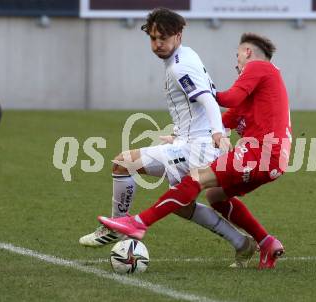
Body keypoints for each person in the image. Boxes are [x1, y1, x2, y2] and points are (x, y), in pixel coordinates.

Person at [79, 8, 258, 268]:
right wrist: (178, 133)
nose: (157, 44)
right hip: (192, 142)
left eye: (163, 38)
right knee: (182, 206)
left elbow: (207, 99)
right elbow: (194, 103)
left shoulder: (180, 66)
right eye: (153, 38)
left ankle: (118, 225)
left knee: (123, 162)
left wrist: (218, 131)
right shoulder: (185, 55)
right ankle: (243, 244)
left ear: (178, 35)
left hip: (201, 148)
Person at [97, 32, 292, 269]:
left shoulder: (259, 66)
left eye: (237, 56)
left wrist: (202, 88)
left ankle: (139, 222)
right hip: (273, 160)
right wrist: (180, 136)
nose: (236, 63)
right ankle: (266, 243)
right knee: (215, 196)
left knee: (195, 179)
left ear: (247, 52)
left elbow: (228, 98)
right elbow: (221, 122)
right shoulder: (258, 95)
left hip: (262, 152)